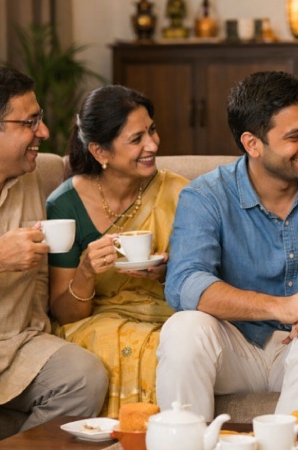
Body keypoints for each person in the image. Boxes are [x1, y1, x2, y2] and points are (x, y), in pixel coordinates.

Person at [156, 71, 298, 418]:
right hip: (237, 348)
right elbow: (184, 283)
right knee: (183, 329)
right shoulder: (207, 196)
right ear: (252, 144)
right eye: (295, 136)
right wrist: (280, 306)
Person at [0, 66, 107, 450]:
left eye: (39, 119)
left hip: (17, 341)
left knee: (85, 374)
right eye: (30, 122)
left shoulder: (28, 176)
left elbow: (43, 281)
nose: (43, 133)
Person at [46, 85, 189, 418]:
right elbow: (65, 315)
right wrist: (85, 272)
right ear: (100, 152)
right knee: (117, 341)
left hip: (168, 316)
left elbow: (204, 278)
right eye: (136, 139)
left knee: (179, 342)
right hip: (96, 322)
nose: (153, 145)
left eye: (151, 130)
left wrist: (168, 273)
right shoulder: (64, 205)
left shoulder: (180, 193)